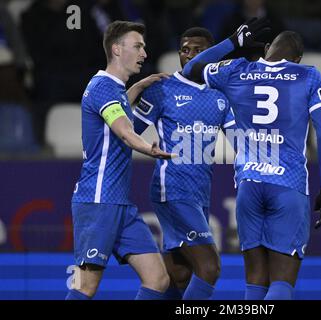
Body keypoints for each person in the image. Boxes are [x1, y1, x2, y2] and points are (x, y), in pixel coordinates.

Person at [182, 18, 321, 300]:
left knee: (255, 281)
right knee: (282, 282)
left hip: (249, 183)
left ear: (266, 49)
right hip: (288, 184)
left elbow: (190, 69)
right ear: (298, 58)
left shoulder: (237, 69)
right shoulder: (309, 76)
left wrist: (233, 42)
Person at [66, 21, 174, 300]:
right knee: (83, 286)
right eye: (138, 46)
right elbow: (125, 131)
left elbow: (118, 111)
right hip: (98, 202)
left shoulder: (112, 90)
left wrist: (138, 87)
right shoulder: (102, 87)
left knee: (158, 279)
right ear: (116, 49)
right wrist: (148, 149)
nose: (144, 54)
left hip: (121, 205)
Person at [133, 27, 235, 300]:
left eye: (198, 50)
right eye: (185, 49)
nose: (189, 55)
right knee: (209, 267)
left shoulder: (221, 95)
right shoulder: (162, 89)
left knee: (178, 274)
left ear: (212, 55)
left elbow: (241, 142)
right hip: (172, 189)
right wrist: (132, 91)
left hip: (200, 193)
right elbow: (128, 130)